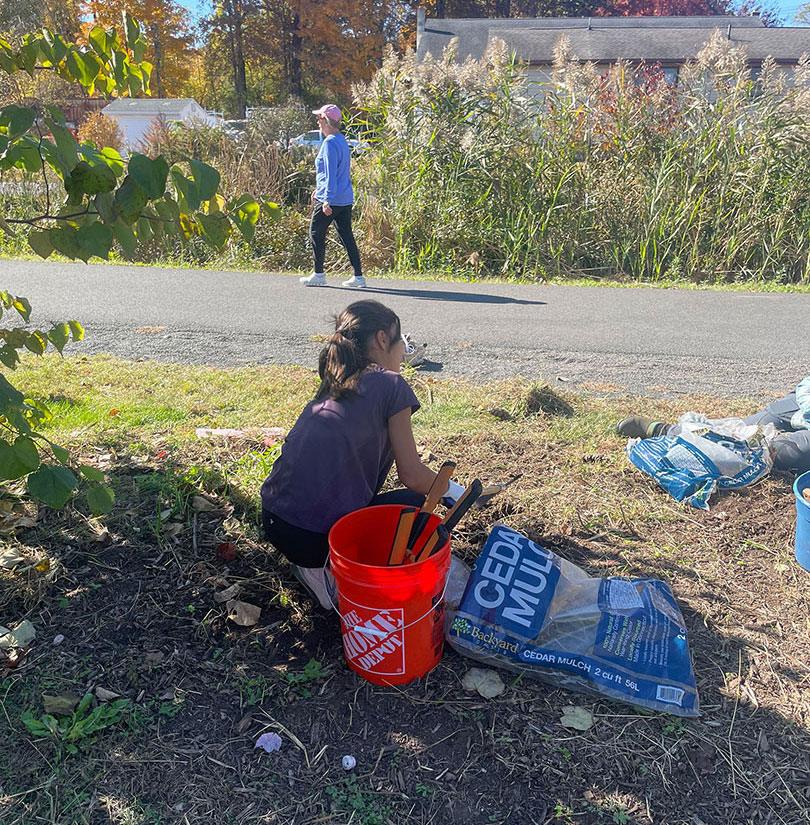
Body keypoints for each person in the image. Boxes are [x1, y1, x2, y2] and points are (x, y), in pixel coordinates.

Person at [260, 300, 463, 608]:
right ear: (383, 339)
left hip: (275, 519)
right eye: (401, 343)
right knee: (415, 508)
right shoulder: (391, 384)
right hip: (313, 537)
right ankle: (326, 572)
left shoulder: (336, 381)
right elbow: (412, 474)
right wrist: (456, 492)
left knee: (392, 503)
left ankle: (311, 565)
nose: (402, 353)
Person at [617, 375, 810, 473]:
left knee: (784, 451)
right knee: (744, 430)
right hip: (803, 405)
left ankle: (705, 456)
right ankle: (670, 432)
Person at [299, 104, 365, 289]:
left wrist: (326, 198)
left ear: (326, 121)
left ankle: (318, 274)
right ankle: (358, 277)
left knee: (315, 233)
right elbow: (337, 172)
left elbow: (329, 173)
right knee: (346, 236)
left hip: (331, 199)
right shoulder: (341, 140)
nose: (317, 122)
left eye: (319, 118)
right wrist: (319, 190)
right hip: (344, 198)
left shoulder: (329, 143)